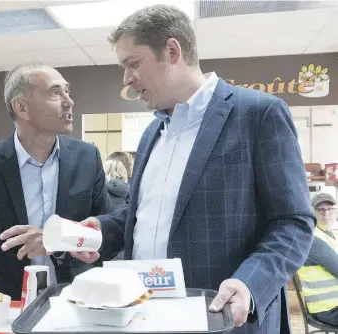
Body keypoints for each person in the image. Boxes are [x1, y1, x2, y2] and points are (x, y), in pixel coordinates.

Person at [70, 5, 315, 333]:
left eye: (133, 64)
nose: (127, 79)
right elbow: (143, 214)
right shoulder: (151, 134)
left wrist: (249, 283)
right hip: (146, 317)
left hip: (221, 318)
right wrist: (99, 231)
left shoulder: (258, 115)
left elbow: (293, 222)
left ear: (172, 51)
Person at [0, 62, 113, 311]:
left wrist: (56, 240)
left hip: (76, 305)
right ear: (22, 107)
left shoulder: (87, 158)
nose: (68, 101)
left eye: (67, 90)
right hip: (4, 310)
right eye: (54, 92)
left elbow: (103, 231)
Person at [297, 193, 338, 326]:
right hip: (328, 309)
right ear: (312, 213)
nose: (326, 214)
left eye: (330, 209)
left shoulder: (329, 235)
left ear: (336, 212)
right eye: (320, 210)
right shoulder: (314, 239)